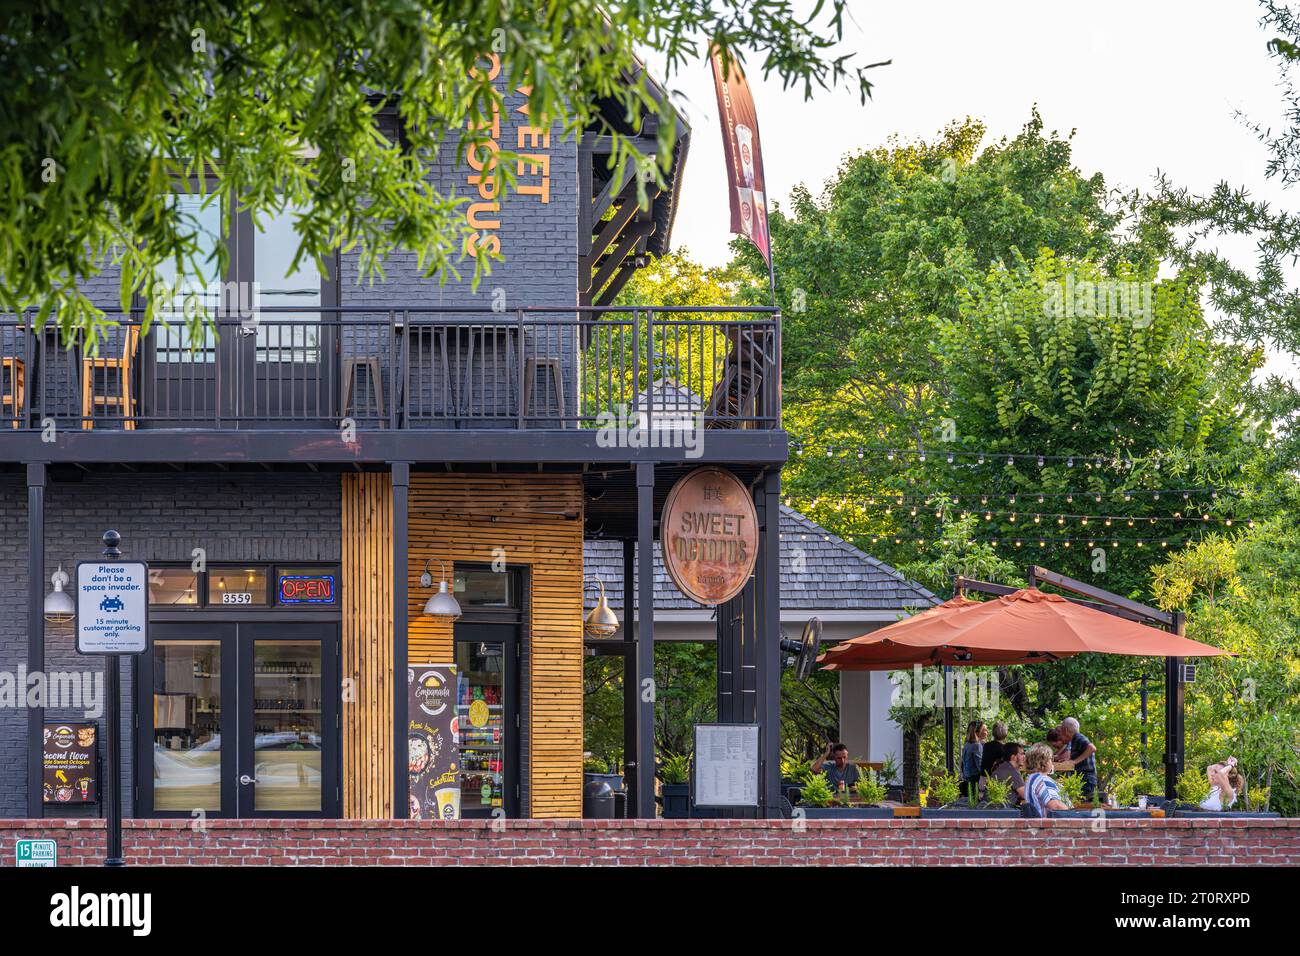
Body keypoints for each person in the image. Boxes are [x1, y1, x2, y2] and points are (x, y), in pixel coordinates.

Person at [1024, 743, 1071, 818]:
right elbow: (1055, 806)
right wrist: (1074, 814)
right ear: (1044, 761)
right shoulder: (1043, 780)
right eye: (1051, 759)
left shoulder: (1031, 779)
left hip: (1037, 824)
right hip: (1051, 825)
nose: (1052, 762)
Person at [1055, 717, 1098, 800]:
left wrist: (1074, 762)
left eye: (1062, 731)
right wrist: (1068, 761)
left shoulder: (1078, 737)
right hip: (1083, 778)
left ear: (1066, 730)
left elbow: (1092, 748)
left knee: (1084, 805)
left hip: (1087, 778)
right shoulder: (1074, 740)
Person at [960, 720, 987, 801]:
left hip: (968, 779)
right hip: (975, 781)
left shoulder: (967, 744)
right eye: (984, 729)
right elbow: (980, 766)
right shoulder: (976, 746)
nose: (986, 732)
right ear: (978, 732)